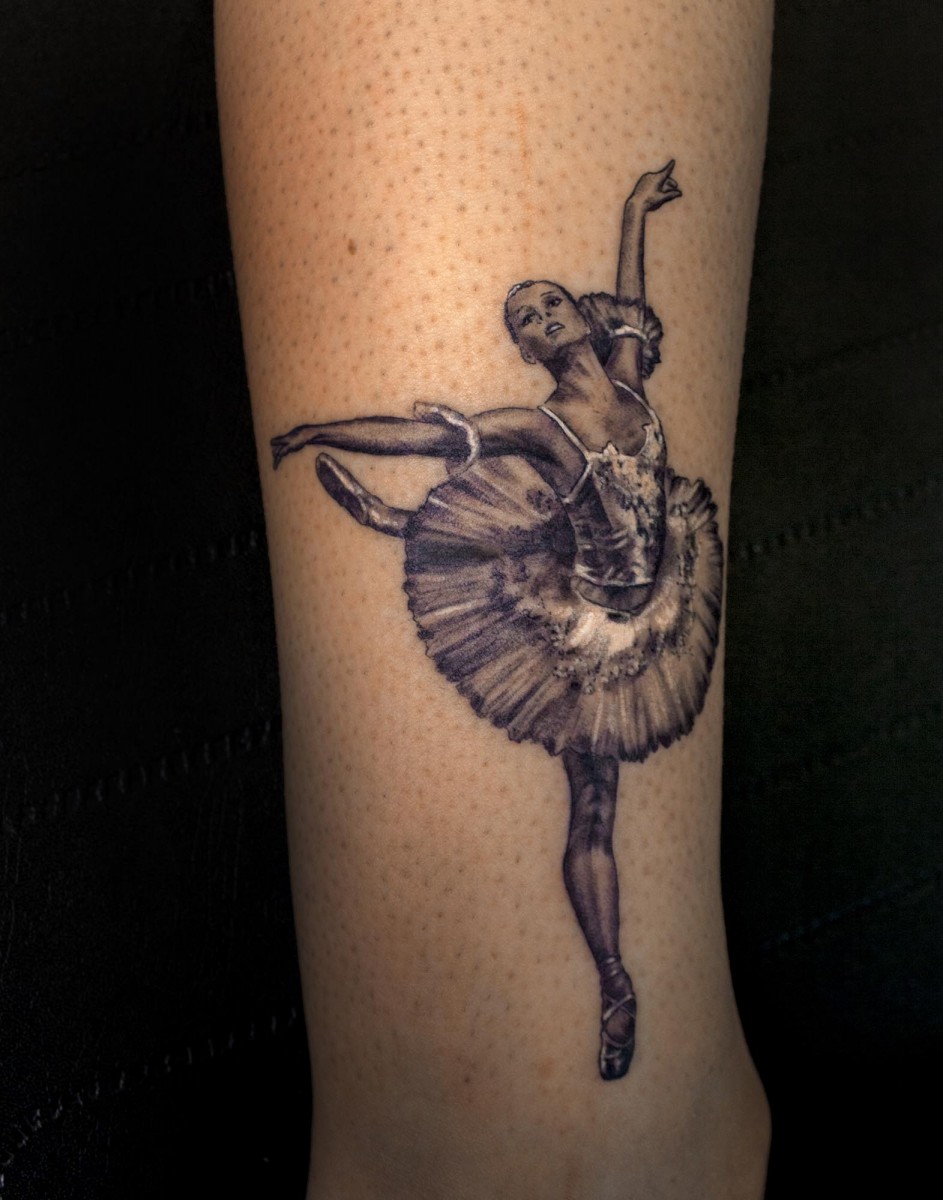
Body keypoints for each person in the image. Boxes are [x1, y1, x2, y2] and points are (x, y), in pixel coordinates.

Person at [271, 162, 722, 1081]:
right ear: (521, 350)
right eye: (524, 319)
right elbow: (430, 437)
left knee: (603, 801)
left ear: (583, 318)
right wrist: (321, 428)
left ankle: (396, 523)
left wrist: (633, 210)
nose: (540, 317)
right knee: (591, 807)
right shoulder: (540, 427)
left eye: (549, 303)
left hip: (660, 606)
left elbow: (632, 303)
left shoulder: (628, 377)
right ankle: (612, 984)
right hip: (585, 634)